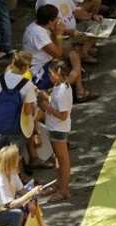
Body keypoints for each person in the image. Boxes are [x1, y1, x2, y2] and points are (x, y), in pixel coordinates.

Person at [23, 4, 98, 103]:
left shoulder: (39, 25)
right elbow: (57, 54)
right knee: (74, 74)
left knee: (74, 55)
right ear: (49, 21)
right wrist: (58, 35)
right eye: (56, 18)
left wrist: (65, 32)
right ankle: (53, 95)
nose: (58, 19)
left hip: (46, 61)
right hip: (39, 70)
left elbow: (52, 41)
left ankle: (79, 91)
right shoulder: (38, 34)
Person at [37, 60, 73, 202]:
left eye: (50, 73)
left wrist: (48, 108)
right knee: (58, 158)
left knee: (63, 160)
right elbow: (56, 101)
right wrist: (46, 97)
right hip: (54, 127)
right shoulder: (59, 86)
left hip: (59, 129)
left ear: (57, 75)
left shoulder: (63, 91)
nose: (48, 75)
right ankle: (59, 184)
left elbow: (64, 115)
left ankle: (63, 190)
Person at [34, 0, 102, 64]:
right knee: (74, 57)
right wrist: (69, 32)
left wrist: (92, 17)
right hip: (59, 38)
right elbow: (50, 28)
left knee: (97, 28)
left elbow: (75, 12)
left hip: (73, 31)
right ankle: (81, 51)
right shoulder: (45, 2)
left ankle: (82, 50)